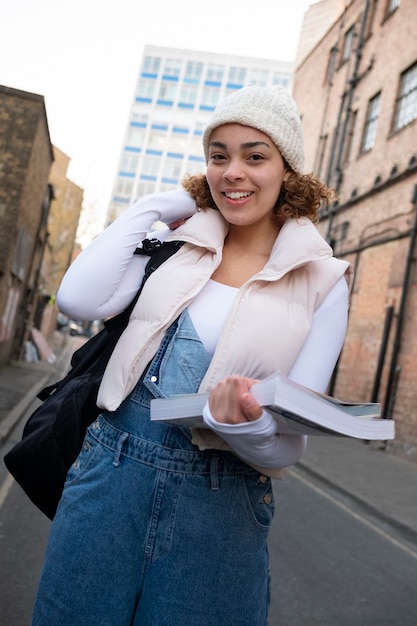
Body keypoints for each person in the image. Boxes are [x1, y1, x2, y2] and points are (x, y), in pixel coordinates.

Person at [31, 85, 352, 626]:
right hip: (109, 478)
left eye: (255, 156)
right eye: (218, 155)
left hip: (222, 506)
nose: (233, 171)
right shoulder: (176, 242)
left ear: (288, 170)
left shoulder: (325, 281)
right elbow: (78, 299)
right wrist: (159, 205)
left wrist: (243, 427)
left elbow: (283, 453)